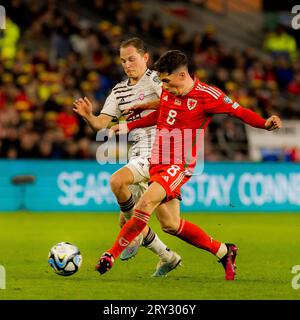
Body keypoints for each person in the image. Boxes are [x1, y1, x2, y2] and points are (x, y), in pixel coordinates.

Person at [96, 50, 282, 280]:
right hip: (157, 160)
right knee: (171, 225)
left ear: (182, 75)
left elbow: (239, 111)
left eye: (166, 81)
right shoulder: (168, 90)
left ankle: (111, 254)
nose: (163, 86)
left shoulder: (208, 95)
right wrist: (131, 125)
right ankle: (225, 251)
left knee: (144, 203)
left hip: (179, 164)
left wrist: (265, 124)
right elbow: (162, 114)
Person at [73, 38, 181, 277]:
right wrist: (89, 116)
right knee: (164, 224)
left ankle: (135, 236)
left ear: (145, 57)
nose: (127, 65)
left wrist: (140, 111)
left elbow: (173, 102)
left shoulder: (156, 79)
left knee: (117, 182)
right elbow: (101, 125)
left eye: (131, 59)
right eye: (123, 61)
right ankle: (169, 257)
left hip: (160, 151)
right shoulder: (119, 90)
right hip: (138, 154)